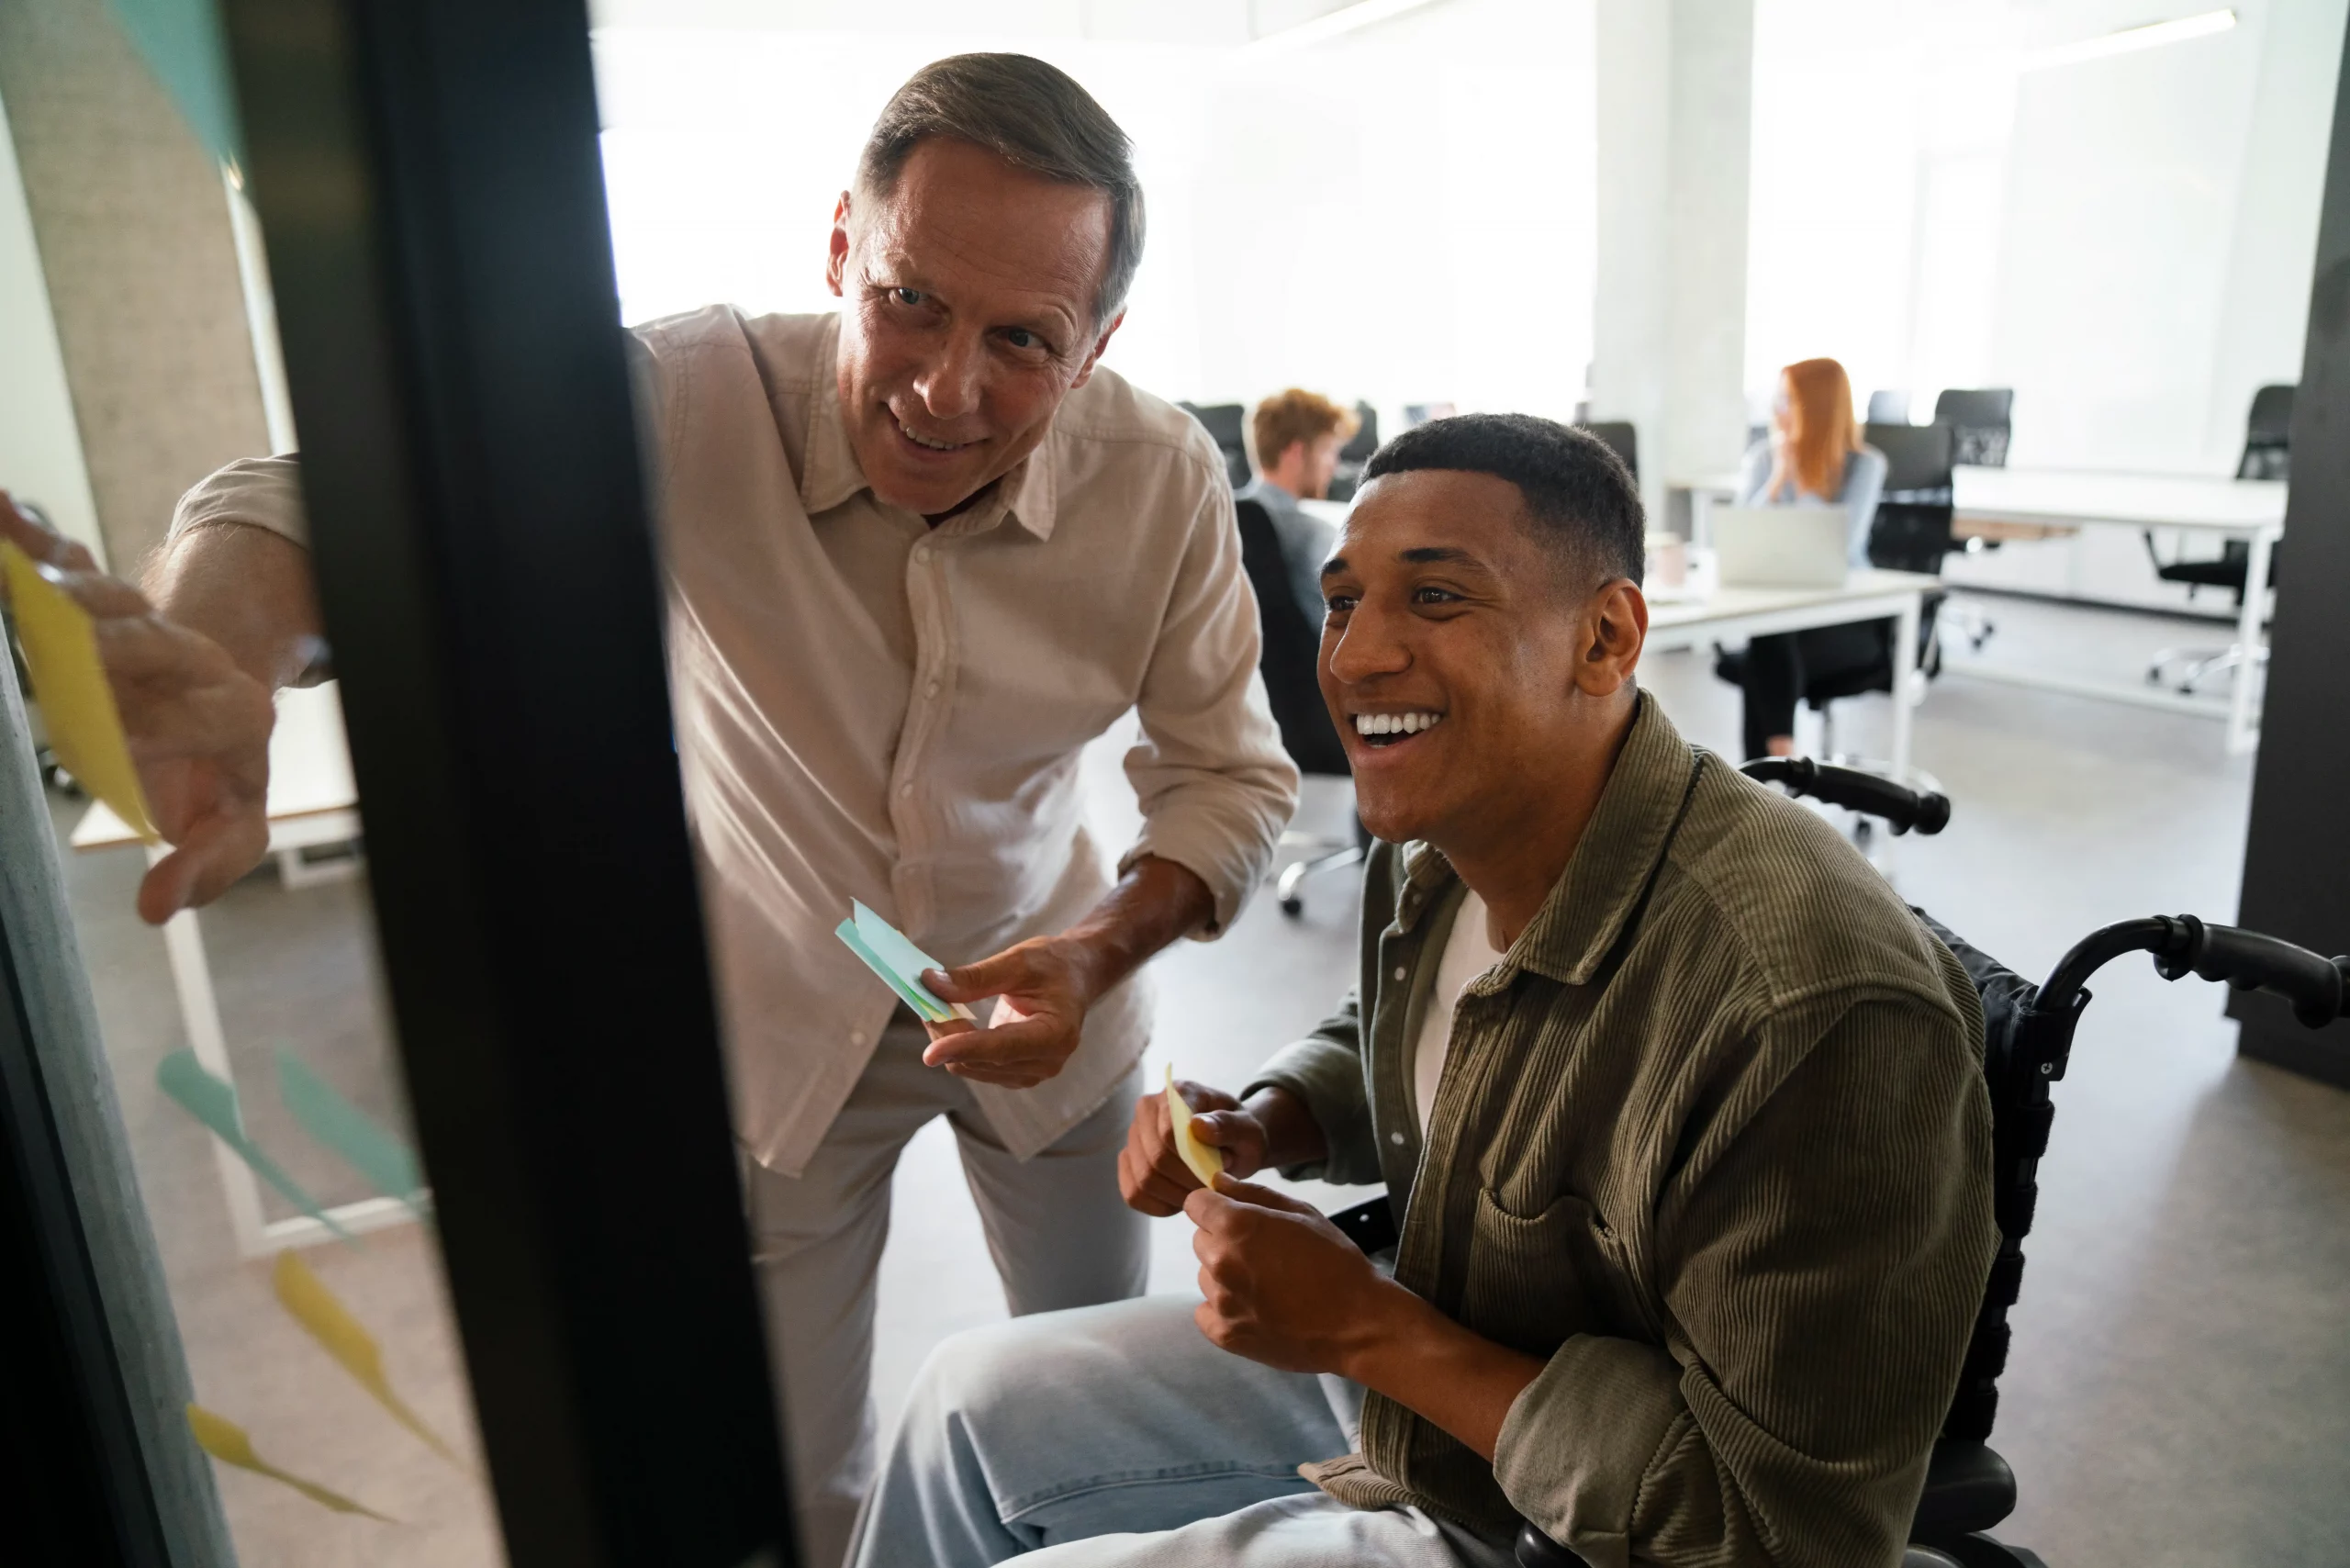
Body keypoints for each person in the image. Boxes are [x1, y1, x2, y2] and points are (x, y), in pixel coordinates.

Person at [0, 53, 1295, 1568]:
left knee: (1085, 1407)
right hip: (783, 1026)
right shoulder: (684, 392)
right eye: (911, 301)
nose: (950, 384)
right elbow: (328, 495)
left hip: (1055, 1001)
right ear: (840, 252)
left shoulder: (1161, 483)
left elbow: (1233, 775)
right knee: (793, 1475)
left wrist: (1093, 953)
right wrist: (214, 644)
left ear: (1100, 346)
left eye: (1026, 338)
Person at [850, 413, 1998, 1568]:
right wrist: (1264, 1119)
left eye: (1436, 598)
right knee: (963, 1401)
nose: (1352, 658)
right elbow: (1427, 1027)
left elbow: (1779, 1535)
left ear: (1604, 638)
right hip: (1448, 1355)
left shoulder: (1813, 1015)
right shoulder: (1442, 840)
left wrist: (1365, 1328)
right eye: (1344, 601)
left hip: (1587, 1521)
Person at [1727, 356, 1891, 759]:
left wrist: (1804, 484)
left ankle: (1765, 780)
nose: (1777, 411)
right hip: (1782, 615)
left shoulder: (1864, 466)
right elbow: (1738, 535)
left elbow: (1842, 546)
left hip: (1844, 618)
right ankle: (1780, 765)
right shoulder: (1766, 459)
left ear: (1816, 407)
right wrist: (1779, 477)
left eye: (1787, 401)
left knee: (1761, 659)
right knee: (1770, 635)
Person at [1236, 388, 1360, 626]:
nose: (1334, 465)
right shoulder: (1313, 535)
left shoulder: (1219, 515)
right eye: (1327, 450)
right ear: (1296, 452)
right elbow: (1345, 631)